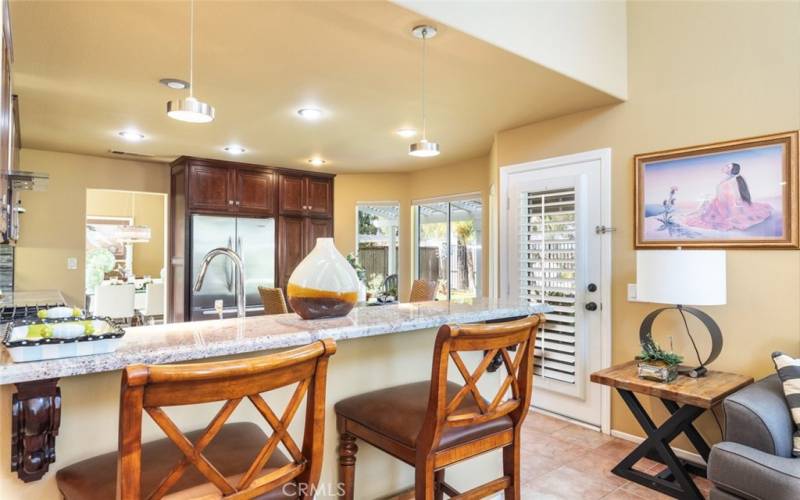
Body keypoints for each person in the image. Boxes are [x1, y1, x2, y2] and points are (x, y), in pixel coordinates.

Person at [683, 162, 771, 231]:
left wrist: (731, 206)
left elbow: (734, 196)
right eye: (727, 166)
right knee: (703, 212)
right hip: (720, 202)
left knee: (710, 217)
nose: (725, 167)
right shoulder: (728, 179)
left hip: (728, 204)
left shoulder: (733, 180)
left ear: (733, 170)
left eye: (728, 167)